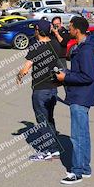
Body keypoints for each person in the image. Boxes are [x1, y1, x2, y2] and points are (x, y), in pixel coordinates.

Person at [56, 16, 94, 185]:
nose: (69, 29)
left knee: (77, 136)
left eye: (71, 27)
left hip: (81, 97)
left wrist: (66, 76)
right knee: (83, 135)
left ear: (77, 30)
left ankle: (77, 172)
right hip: (79, 95)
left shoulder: (86, 50)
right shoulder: (81, 47)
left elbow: (88, 76)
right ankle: (85, 169)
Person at [17, 20, 61, 161]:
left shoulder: (36, 47)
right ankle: (54, 149)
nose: (34, 32)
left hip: (40, 90)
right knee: (50, 119)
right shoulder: (54, 44)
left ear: (38, 31)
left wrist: (19, 75)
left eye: (35, 30)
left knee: (42, 121)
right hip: (53, 89)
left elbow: (26, 67)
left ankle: (47, 150)